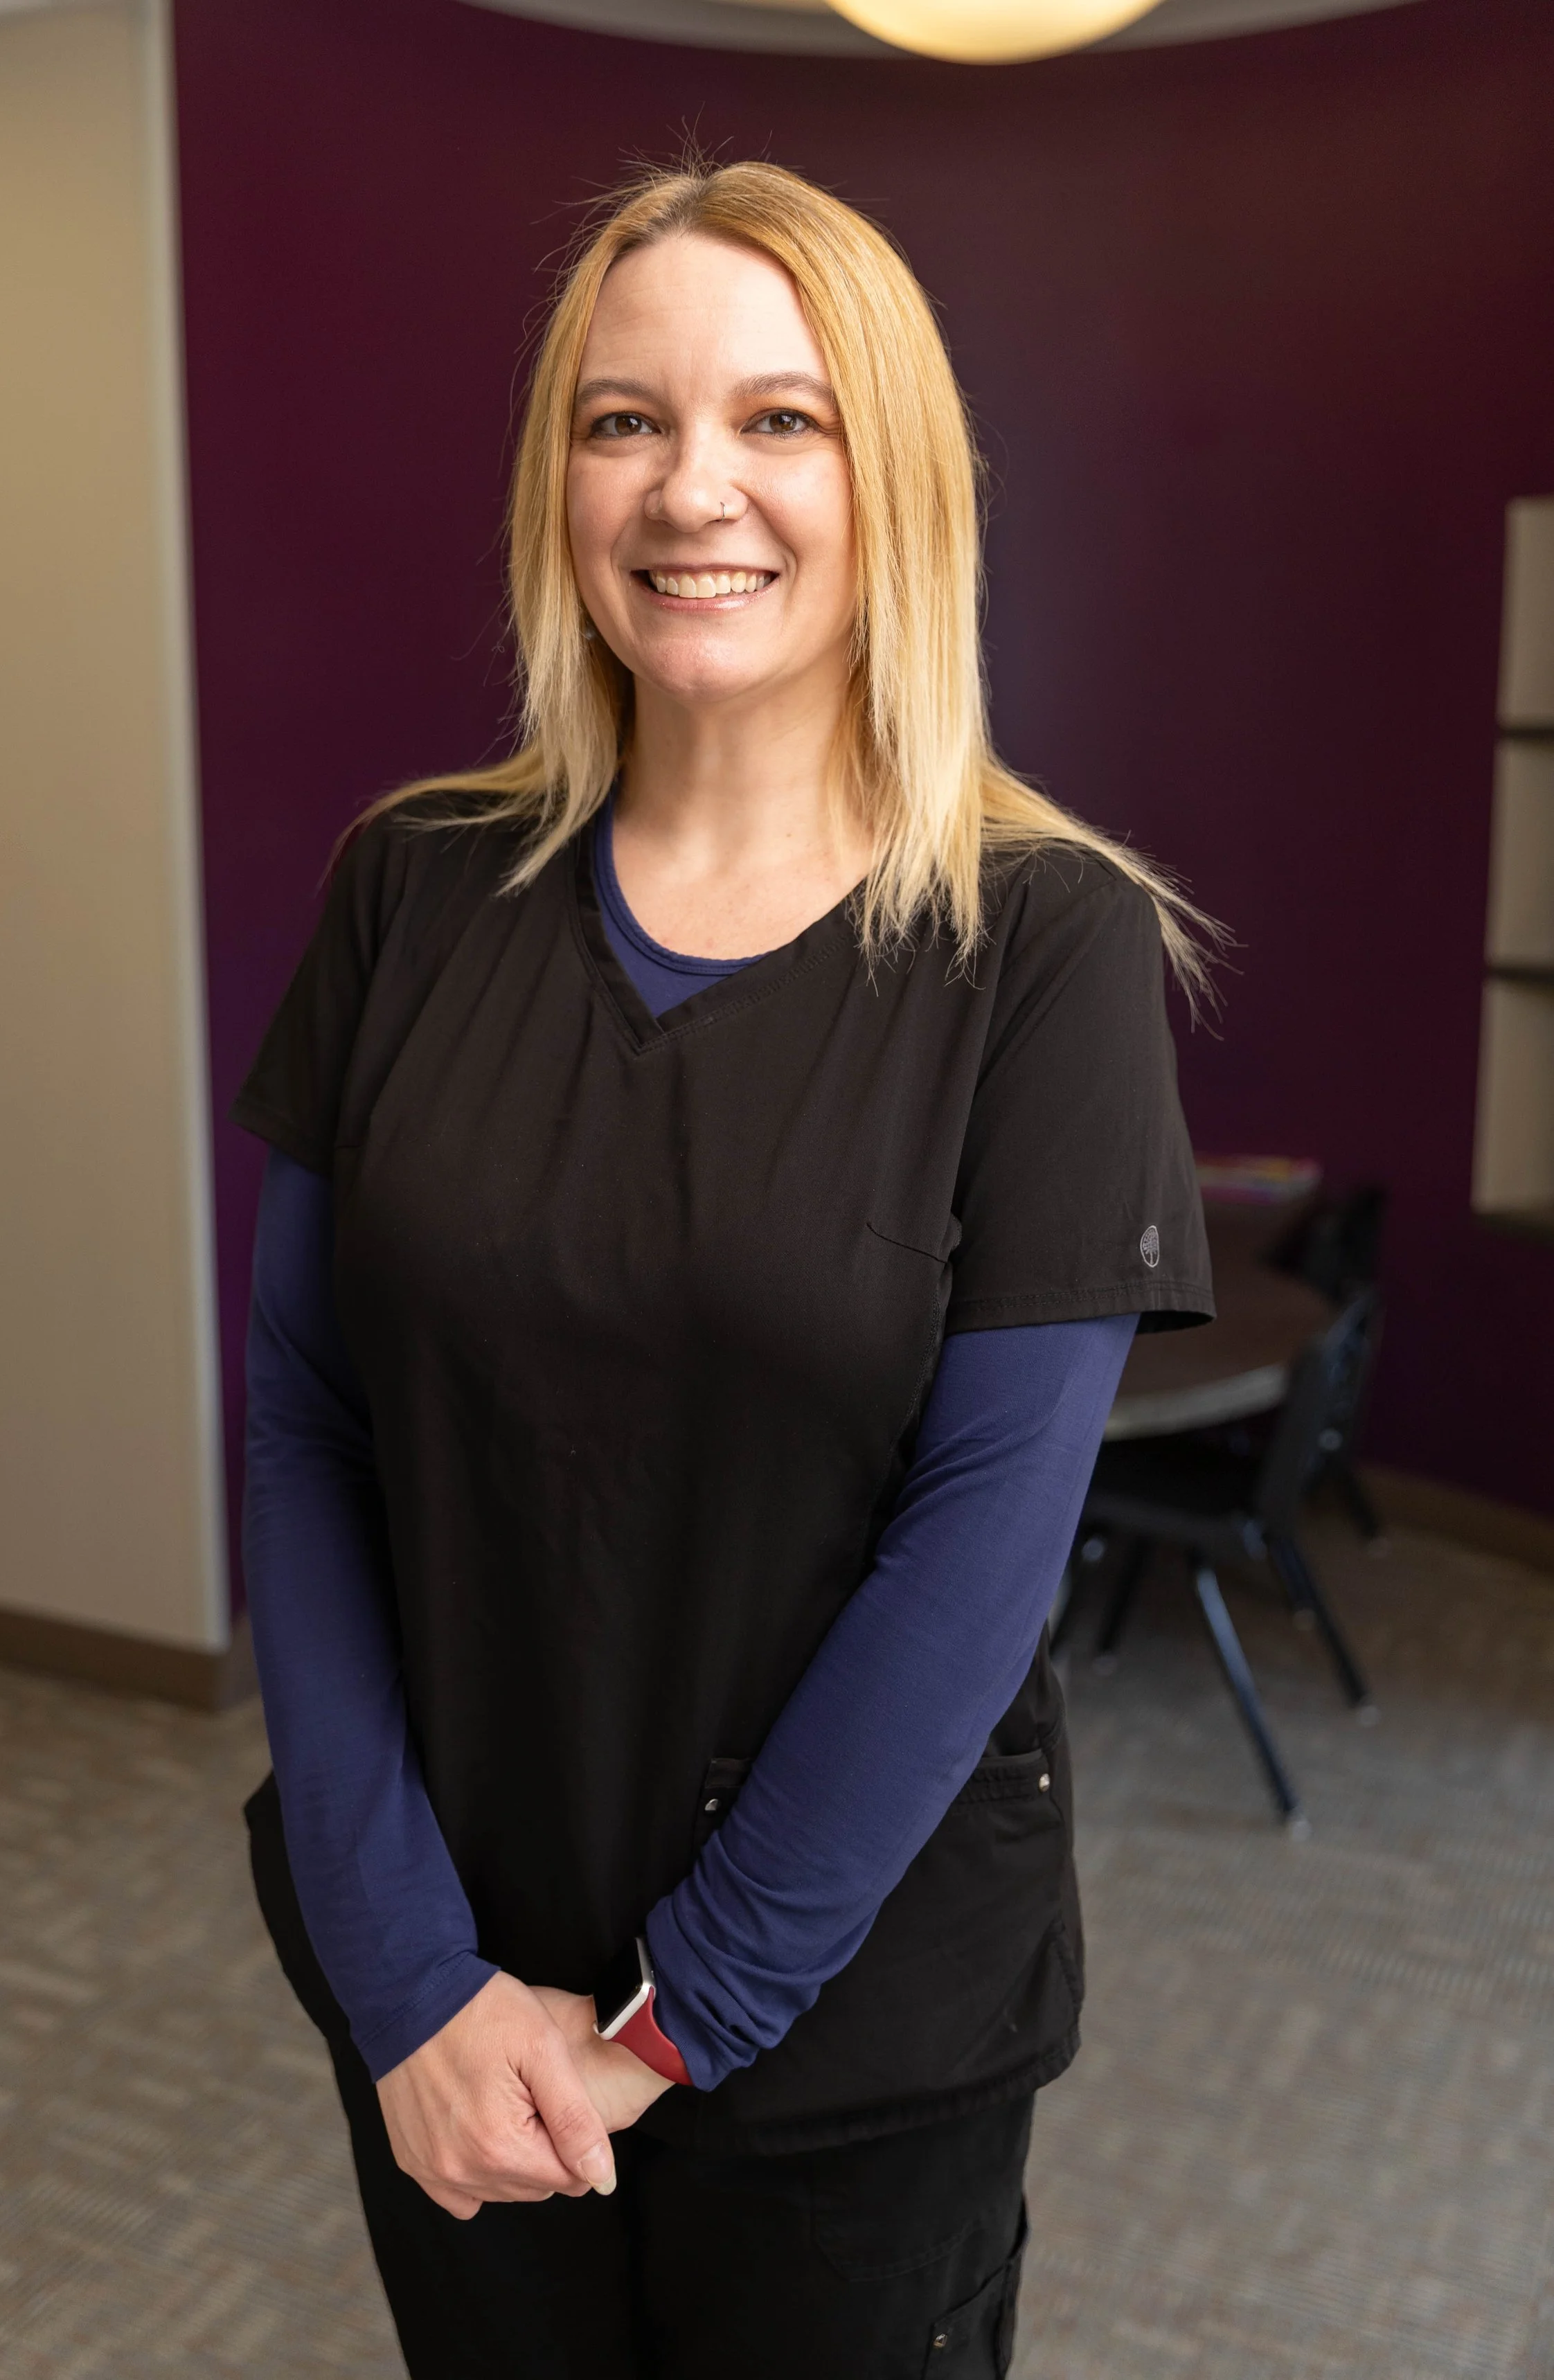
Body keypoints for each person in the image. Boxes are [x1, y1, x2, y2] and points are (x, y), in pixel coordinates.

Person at [235, 160, 1214, 2380]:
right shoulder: (411, 890)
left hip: (847, 2035)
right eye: (621, 421)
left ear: (895, 482)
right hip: (449, 1998)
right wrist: (401, 1967)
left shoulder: (1041, 946)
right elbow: (305, 1422)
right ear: (556, 482)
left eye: (782, 420)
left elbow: (982, 1541)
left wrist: (673, 2029)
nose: (695, 489)